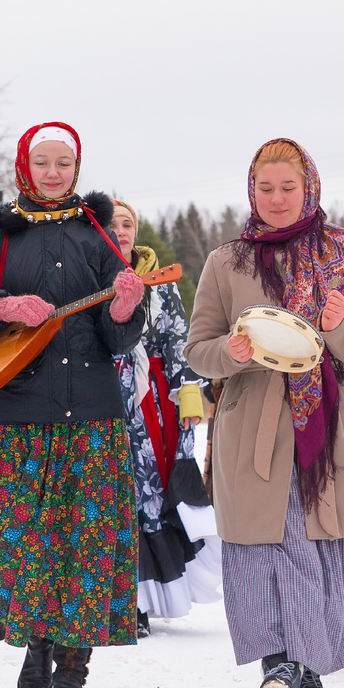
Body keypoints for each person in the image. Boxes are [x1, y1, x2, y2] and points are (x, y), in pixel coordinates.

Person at [184, 138, 344, 688]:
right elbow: (197, 350)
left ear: (309, 188)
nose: (276, 199)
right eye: (265, 188)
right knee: (270, 543)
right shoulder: (227, 261)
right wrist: (231, 352)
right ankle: (280, 665)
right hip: (254, 430)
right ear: (250, 191)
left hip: (334, 428)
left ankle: (305, 668)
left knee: (322, 543)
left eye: (287, 188)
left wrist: (340, 326)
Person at [0, 121, 147, 688]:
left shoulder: (97, 233)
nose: (54, 173)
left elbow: (117, 336)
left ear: (77, 169)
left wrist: (127, 307)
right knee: (26, 545)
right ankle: (37, 642)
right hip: (18, 421)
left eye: (65, 164)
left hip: (93, 424)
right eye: (43, 163)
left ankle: (72, 677)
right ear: (24, 168)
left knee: (84, 549)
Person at [110, 198, 221, 637]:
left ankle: (142, 600)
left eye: (128, 223)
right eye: (112, 223)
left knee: (151, 496)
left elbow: (178, 339)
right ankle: (117, 598)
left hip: (154, 405)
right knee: (113, 494)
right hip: (103, 400)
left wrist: (189, 397)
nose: (121, 230)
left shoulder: (161, 282)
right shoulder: (87, 275)